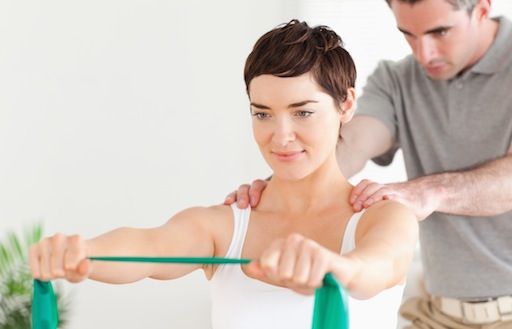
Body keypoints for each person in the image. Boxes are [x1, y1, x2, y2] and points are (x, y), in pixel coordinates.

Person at [28, 20, 418, 329]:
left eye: (302, 112)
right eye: (262, 113)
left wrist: (334, 267)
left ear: (346, 104)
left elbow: (375, 268)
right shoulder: (225, 226)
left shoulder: (382, 216)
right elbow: (149, 246)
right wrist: (80, 254)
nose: (280, 136)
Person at [225, 1, 512, 328]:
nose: (424, 54)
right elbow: (351, 144)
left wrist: (428, 192)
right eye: (409, 34)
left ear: (482, 10)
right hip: (436, 312)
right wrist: (279, 185)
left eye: (439, 32)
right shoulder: (398, 79)